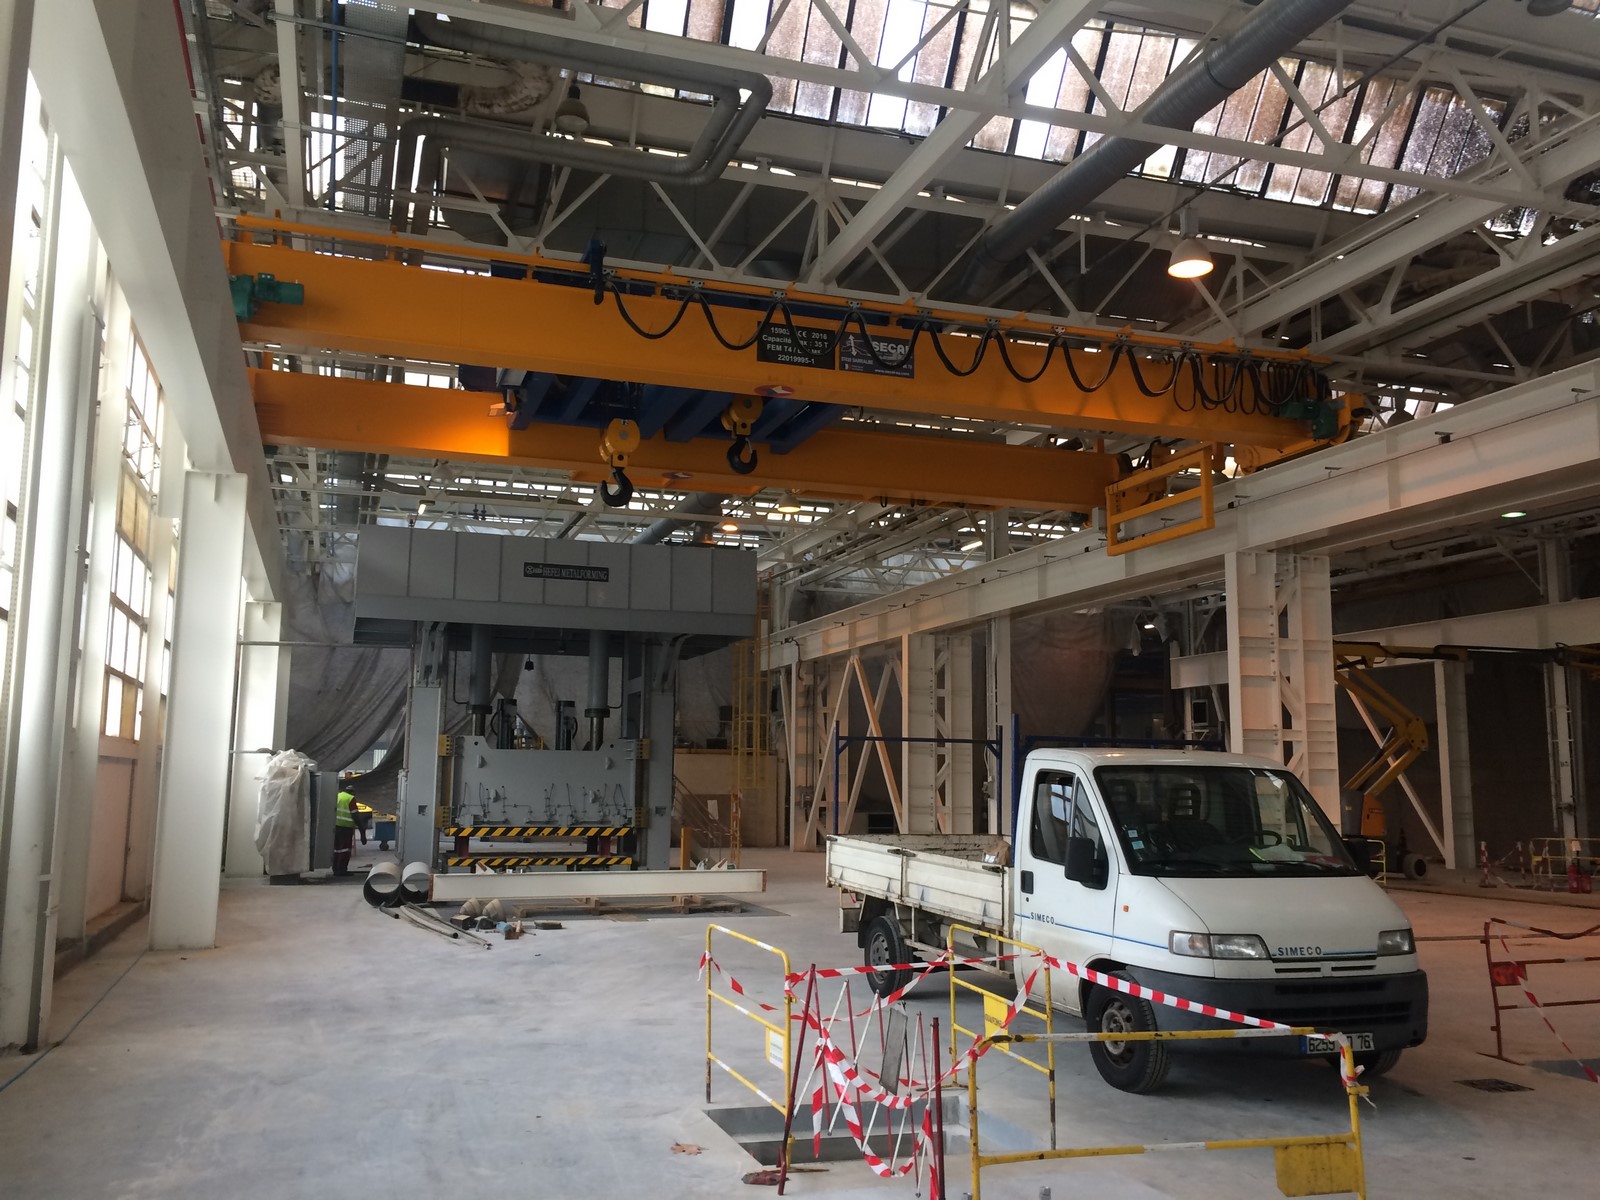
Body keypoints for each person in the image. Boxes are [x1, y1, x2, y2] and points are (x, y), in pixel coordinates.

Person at [334, 780, 357, 875]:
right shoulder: (350, 798)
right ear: (352, 792)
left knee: (337, 849)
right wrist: (362, 830)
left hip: (335, 827)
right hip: (345, 828)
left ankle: (336, 869)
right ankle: (342, 870)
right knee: (345, 849)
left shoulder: (338, 796)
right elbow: (355, 815)